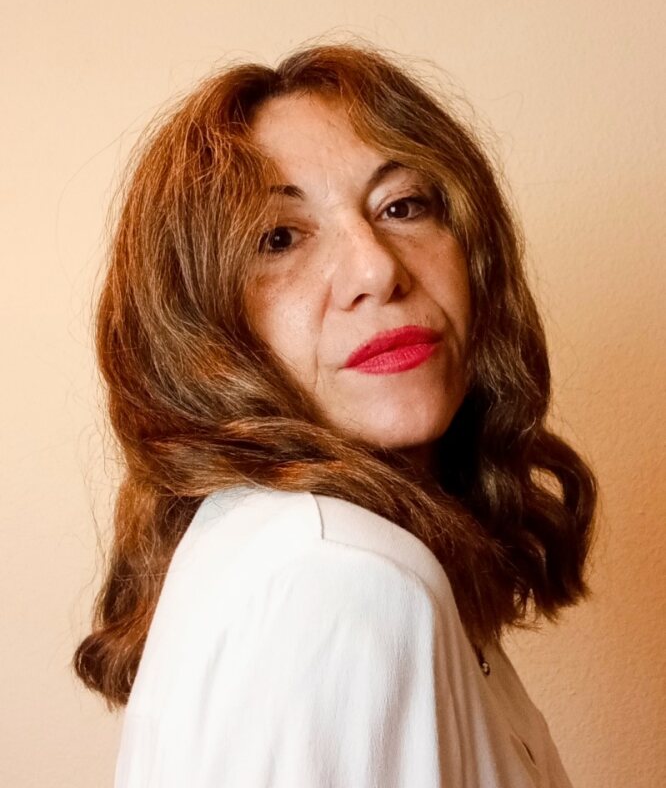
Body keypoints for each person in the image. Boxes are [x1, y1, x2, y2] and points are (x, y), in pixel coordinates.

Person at [73, 42, 598, 787]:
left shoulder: (321, 556)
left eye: (402, 206)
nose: (377, 269)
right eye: (279, 238)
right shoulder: (342, 577)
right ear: (202, 327)